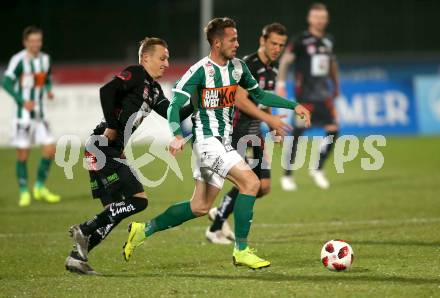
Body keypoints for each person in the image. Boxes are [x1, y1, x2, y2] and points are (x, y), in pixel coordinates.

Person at [123, 17, 310, 269]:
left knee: (200, 206)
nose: (237, 43)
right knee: (251, 183)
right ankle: (242, 250)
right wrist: (177, 134)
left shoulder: (238, 68)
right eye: (232, 39)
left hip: (221, 143)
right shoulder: (200, 70)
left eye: (237, 38)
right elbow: (174, 107)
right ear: (217, 42)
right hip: (208, 142)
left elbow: (259, 95)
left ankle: (143, 230)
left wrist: (294, 105)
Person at [65, 37, 194, 275]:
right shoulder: (135, 73)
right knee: (138, 200)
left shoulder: (154, 90)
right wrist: (113, 125)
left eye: (168, 58)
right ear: (146, 58)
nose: (166, 63)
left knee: (114, 212)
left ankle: (77, 258)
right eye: (162, 58)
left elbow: (172, 113)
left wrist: (198, 99)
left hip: (108, 149)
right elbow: (106, 90)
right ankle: (84, 228)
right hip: (102, 145)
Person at [205, 23, 289, 244]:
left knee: (264, 187)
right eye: (273, 43)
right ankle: (215, 228)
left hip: (254, 132)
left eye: (281, 45)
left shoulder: (273, 69)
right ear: (262, 41)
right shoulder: (247, 65)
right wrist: (268, 119)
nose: (277, 48)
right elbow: (240, 100)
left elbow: (264, 98)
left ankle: (220, 211)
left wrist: (272, 126)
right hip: (238, 131)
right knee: (250, 182)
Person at [278, 3, 340, 191]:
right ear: (310, 19)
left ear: (326, 20)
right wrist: (280, 84)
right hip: (304, 96)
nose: (319, 21)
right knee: (297, 134)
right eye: (316, 17)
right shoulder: (301, 40)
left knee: (333, 130)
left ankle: (317, 168)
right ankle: (287, 176)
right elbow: (285, 61)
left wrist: (336, 85)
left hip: (324, 95)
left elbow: (331, 64)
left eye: (322, 17)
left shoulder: (329, 40)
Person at [2, 26, 60, 207]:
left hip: (39, 114)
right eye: (32, 41)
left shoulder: (44, 59)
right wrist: (21, 100)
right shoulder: (19, 60)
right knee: (23, 155)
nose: (36, 44)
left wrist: (49, 90)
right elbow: (6, 82)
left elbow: (47, 78)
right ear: (25, 42)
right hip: (23, 116)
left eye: (38, 40)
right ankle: (24, 192)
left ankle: (40, 187)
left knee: (50, 150)